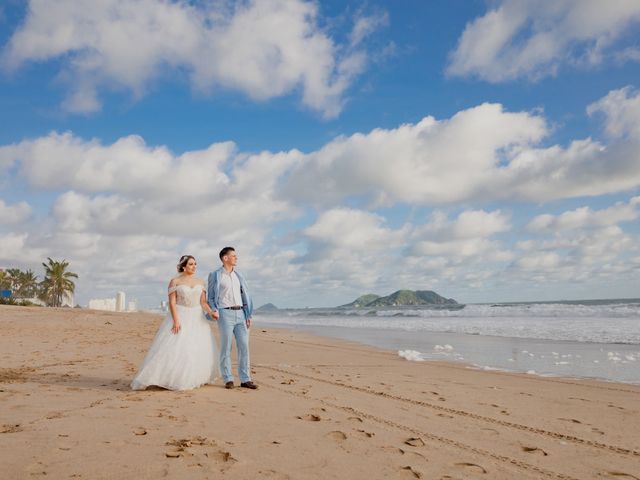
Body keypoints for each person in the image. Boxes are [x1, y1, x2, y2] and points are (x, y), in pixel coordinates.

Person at [131, 255, 220, 391]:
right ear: (183, 266)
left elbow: (203, 302)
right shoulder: (175, 281)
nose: (194, 266)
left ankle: (192, 377)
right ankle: (164, 378)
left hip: (197, 317)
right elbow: (172, 302)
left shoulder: (200, 282)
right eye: (191, 264)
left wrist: (211, 312)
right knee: (175, 347)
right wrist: (176, 320)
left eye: (195, 264)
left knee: (195, 348)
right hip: (181, 314)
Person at [207, 247, 257, 390]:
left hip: (241, 313)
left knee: (244, 347)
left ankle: (245, 379)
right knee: (226, 347)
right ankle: (228, 378)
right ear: (225, 258)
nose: (236, 258)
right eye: (233, 256)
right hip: (225, 314)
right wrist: (214, 310)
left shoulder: (239, 276)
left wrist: (248, 315)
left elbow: (245, 296)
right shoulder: (215, 275)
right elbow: (210, 297)